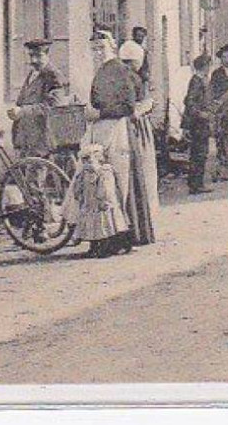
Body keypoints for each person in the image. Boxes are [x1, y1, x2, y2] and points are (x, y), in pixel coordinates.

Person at [85, 30, 137, 255]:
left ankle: (116, 239)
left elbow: (128, 106)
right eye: (94, 48)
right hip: (101, 131)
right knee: (99, 184)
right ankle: (103, 237)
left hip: (116, 130)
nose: (97, 52)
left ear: (112, 47)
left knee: (115, 184)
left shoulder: (120, 70)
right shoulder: (100, 72)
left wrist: (100, 113)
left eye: (101, 48)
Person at [120, 39, 161, 244]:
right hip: (137, 130)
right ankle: (143, 224)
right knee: (142, 175)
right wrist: (147, 105)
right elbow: (136, 108)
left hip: (132, 128)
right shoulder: (135, 79)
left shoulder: (127, 77)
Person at [64, 143, 128, 259]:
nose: (87, 162)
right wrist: (78, 194)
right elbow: (78, 186)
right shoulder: (84, 173)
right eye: (84, 160)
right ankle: (93, 247)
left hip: (100, 204)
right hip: (89, 204)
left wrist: (104, 199)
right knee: (91, 226)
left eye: (89, 159)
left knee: (103, 226)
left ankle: (105, 248)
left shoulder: (104, 171)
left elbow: (106, 188)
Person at [7, 38, 63, 157]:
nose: (33, 60)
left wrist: (23, 111)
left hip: (41, 138)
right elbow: (22, 101)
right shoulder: (32, 74)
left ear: (47, 54)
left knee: (36, 172)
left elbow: (54, 106)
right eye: (31, 55)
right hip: (25, 137)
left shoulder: (53, 76)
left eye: (38, 56)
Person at [182, 53, 215, 194]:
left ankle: (195, 183)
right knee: (199, 153)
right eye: (208, 65)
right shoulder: (197, 81)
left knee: (199, 153)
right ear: (205, 66)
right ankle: (196, 184)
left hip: (201, 122)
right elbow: (189, 101)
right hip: (198, 123)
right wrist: (200, 113)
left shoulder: (202, 80)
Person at [208, 45, 228, 180]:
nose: (226, 60)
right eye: (223, 57)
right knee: (221, 135)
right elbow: (211, 89)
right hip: (221, 109)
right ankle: (223, 161)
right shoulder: (216, 73)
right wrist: (212, 104)